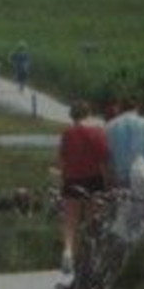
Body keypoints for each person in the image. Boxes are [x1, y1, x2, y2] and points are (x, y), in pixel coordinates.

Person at [56, 100, 110, 274]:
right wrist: (107, 183)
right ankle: (91, 257)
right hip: (94, 180)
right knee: (92, 222)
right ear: (89, 113)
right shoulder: (98, 131)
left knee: (70, 222)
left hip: (72, 180)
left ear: (72, 115)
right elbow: (103, 161)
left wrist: (63, 181)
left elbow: (62, 161)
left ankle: (68, 252)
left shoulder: (67, 133)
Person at [105, 97, 144, 189]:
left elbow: (109, 156)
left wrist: (110, 181)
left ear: (120, 108)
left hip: (120, 178)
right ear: (137, 107)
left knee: (123, 202)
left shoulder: (109, 126)